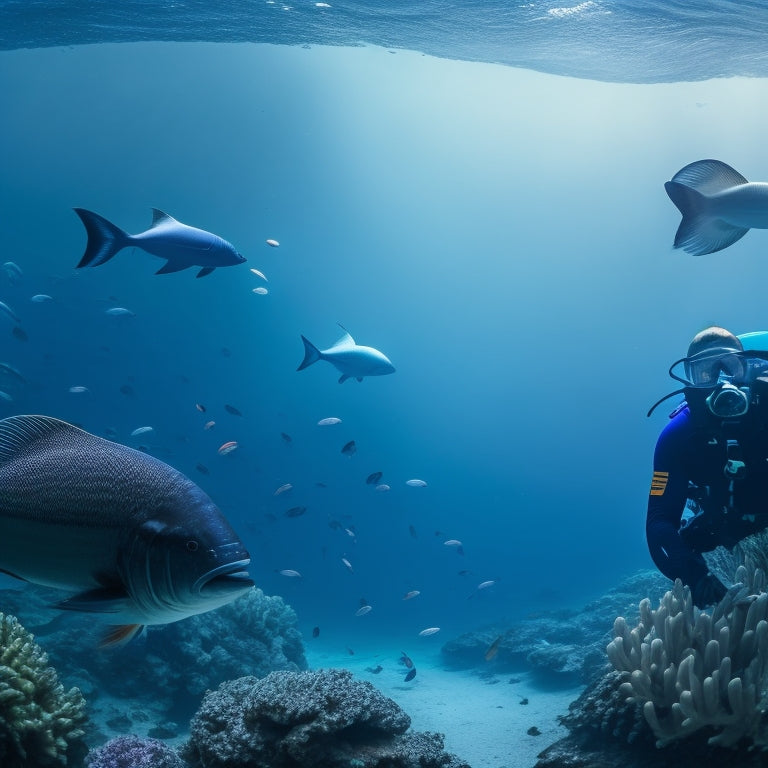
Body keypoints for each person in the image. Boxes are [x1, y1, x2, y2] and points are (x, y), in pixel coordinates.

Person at [646, 326, 768, 608]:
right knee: (685, 544)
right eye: (705, 372)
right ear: (691, 380)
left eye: (730, 365)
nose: (722, 380)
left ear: (746, 367)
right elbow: (659, 522)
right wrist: (697, 577)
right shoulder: (677, 436)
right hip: (725, 522)